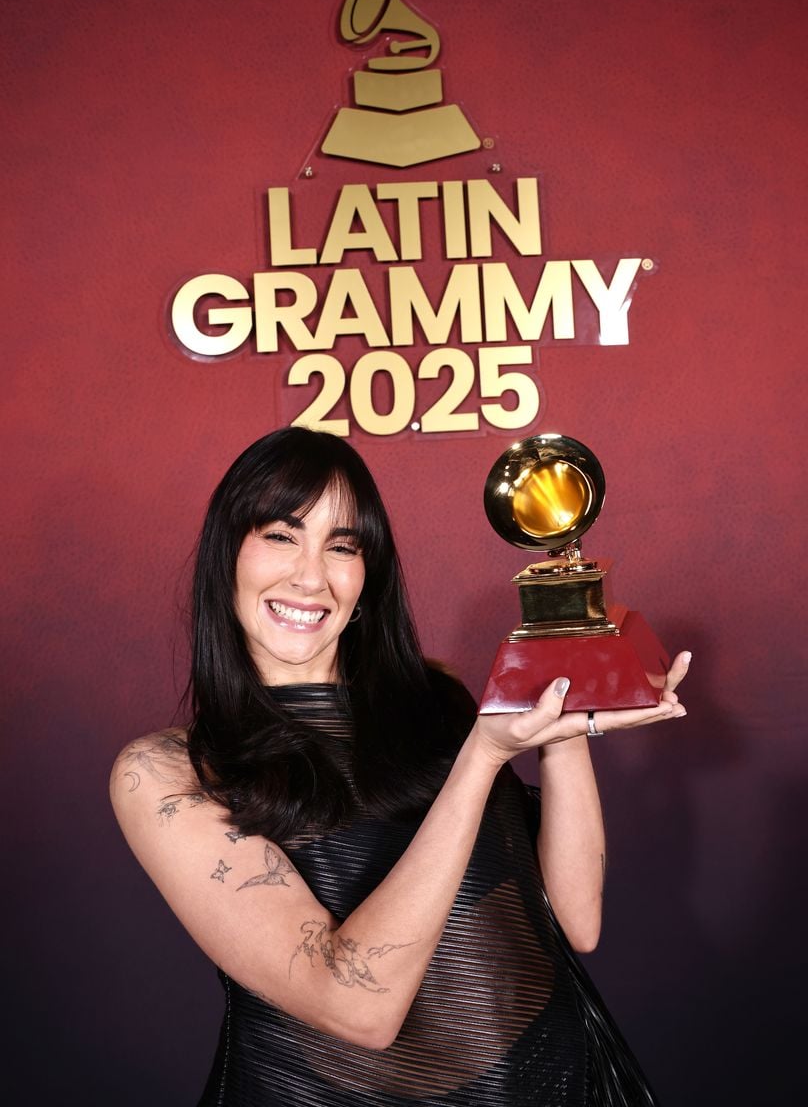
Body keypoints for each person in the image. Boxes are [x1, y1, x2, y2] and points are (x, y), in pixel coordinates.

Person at [111, 426, 689, 1106]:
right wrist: (484, 757)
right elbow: (359, 1010)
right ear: (226, 555)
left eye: (343, 546)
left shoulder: (437, 703)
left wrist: (564, 719)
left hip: (562, 1084)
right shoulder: (169, 774)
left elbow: (576, 920)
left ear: (369, 571)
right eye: (280, 535)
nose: (311, 575)